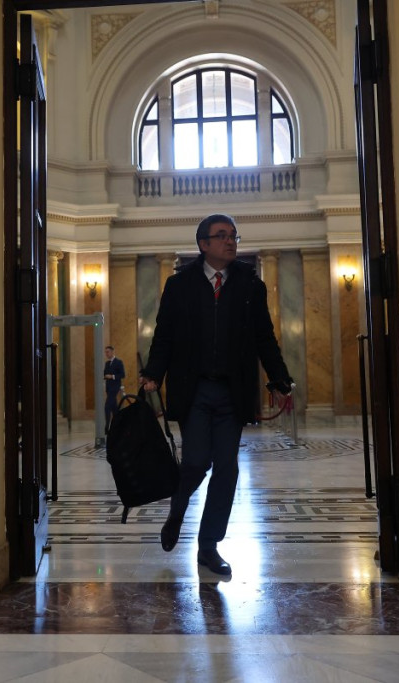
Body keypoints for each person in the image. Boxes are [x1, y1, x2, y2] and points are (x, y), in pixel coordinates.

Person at [140, 214, 292, 576]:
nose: (229, 241)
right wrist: (153, 374)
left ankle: (208, 546)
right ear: (203, 244)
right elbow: (165, 334)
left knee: (227, 467)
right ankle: (178, 508)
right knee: (195, 461)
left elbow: (264, 337)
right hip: (193, 389)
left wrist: (279, 377)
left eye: (233, 236)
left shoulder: (250, 285)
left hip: (232, 391)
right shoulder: (179, 285)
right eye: (221, 236)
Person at [103, 345, 126, 434]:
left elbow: (122, 375)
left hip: (115, 387)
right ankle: (119, 426)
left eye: (108, 352)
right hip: (108, 388)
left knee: (107, 406)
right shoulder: (107, 363)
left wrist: (112, 376)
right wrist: (106, 376)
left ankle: (107, 427)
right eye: (105, 352)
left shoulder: (118, 362)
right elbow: (105, 374)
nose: (106, 354)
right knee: (114, 409)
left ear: (112, 352)